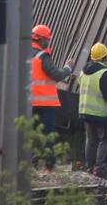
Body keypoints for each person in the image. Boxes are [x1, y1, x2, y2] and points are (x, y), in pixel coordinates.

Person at [30, 24, 74, 170]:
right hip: (44, 103)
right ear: (41, 39)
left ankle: (30, 163)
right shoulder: (42, 56)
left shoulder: (23, 52)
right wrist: (68, 68)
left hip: (29, 102)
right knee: (47, 135)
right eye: (47, 40)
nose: (48, 42)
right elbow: (57, 75)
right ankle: (50, 165)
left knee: (30, 135)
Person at [78, 42, 107, 176]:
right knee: (105, 139)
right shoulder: (104, 73)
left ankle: (89, 168)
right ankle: (100, 168)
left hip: (85, 112)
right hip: (102, 114)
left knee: (90, 140)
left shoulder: (83, 72)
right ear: (104, 57)